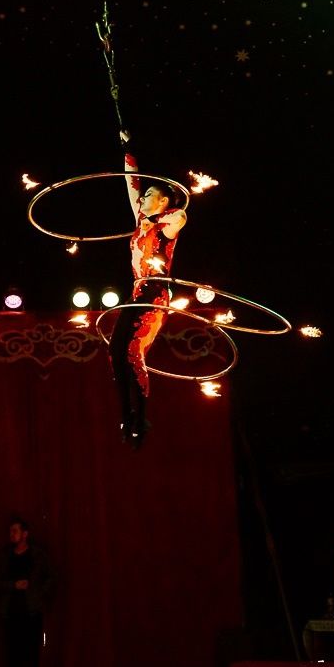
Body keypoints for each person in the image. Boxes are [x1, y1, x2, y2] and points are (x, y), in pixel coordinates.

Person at [109, 152, 187, 449]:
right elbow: (131, 183)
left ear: (163, 201)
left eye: (150, 195)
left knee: (132, 352)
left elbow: (181, 217)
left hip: (155, 295)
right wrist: (128, 150)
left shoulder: (167, 226)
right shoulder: (141, 219)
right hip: (136, 292)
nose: (143, 198)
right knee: (115, 351)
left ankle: (140, 418)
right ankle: (126, 416)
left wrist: (160, 215)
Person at [0, 517, 55, 667]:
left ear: (25, 534)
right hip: (11, 612)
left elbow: (50, 578)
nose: (12, 535)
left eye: (15, 531)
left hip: (32, 611)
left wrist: (38, 593)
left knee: (32, 654)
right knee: (12, 655)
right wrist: (14, 585)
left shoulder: (38, 555)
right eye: (10, 531)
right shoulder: (5, 557)